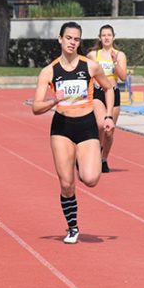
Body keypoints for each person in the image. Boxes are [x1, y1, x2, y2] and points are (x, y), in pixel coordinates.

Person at [32, 22, 114, 244]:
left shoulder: (90, 66)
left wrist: (107, 115)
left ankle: (85, 159)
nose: (72, 42)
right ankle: (72, 227)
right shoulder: (49, 71)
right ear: (60, 39)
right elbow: (35, 107)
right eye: (68, 38)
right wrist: (53, 101)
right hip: (62, 127)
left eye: (76, 39)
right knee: (67, 183)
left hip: (86, 125)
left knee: (90, 179)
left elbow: (108, 88)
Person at [86, 24, 128, 173]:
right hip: (98, 93)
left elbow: (123, 77)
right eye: (103, 35)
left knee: (109, 132)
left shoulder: (120, 55)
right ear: (100, 38)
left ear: (113, 37)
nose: (106, 38)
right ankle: (94, 153)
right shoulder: (93, 55)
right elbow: (86, 73)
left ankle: (103, 159)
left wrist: (115, 62)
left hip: (114, 93)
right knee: (100, 124)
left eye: (109, 35)